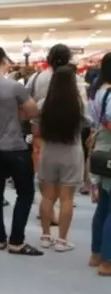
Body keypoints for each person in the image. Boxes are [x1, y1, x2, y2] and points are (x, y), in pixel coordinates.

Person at [0, 46, 41, 256]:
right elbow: (33, 111)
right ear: (3, 61)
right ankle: (16, 240)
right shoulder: (14, 87)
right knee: (26, 193)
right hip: (15, 147)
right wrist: (18, 112)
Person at [32, 65, 91, 251]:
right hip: (71, 152)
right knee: (67, 199)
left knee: (47, 196)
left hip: (49, 151)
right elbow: (88, 122)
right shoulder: (79, 104)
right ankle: (62, 240)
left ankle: (45, 235)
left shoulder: (44, 104)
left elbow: (35, 125)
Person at [27, 44, 90, 196]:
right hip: (71, 140)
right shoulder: (76, 80)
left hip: (45, 137)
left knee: (47, 193)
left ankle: (48, 206)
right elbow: (85, 114)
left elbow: (27, 102)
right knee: (67, 196)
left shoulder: (37, 78)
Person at [90, 52, 111, 276]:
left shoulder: (99, 92)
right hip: (109, 151)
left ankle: (97, 253)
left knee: (104, 205)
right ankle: (108, 260)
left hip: (102, 151)